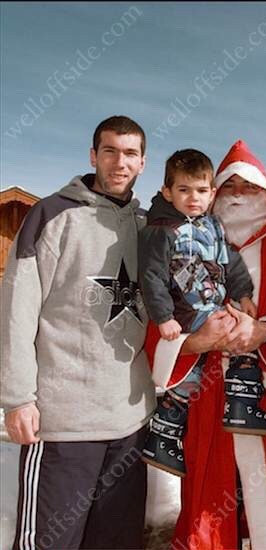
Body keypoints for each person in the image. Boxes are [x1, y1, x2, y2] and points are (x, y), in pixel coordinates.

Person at [144, 140, 266, 549]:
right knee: (208, 503)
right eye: (230, 187)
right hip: (208, 396)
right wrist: (195, 342)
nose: (239, 195)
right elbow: (157, 317)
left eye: (249, 187)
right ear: (214, 194)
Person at [0, 116, 157, 550]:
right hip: (64, 422)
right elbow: (16, 310)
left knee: (117, 541)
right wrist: (17, 398)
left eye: (129, 154)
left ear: (143, 162)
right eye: (109, 151)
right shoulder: (52, 215)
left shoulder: (148, 226)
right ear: (93, 156)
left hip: (129, 420)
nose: (119, 162)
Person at [138, 148, 266, 478]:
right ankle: (241, 403)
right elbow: (152, 277)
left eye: (201, 191)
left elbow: (232, 263)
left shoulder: (211, 227)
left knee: (194, 376)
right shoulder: (161, 230)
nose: (193, 198)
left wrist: (243, 293)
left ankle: (164, 433)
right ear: (167, 192)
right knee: (238, 333)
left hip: (208, 302)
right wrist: (164, 317)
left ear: (211, 193)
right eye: (184, 190)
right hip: (186, 310)